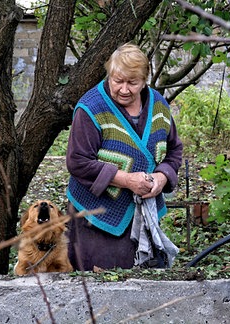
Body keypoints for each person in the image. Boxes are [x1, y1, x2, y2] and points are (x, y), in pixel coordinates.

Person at [65, 43, 183, 271]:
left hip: (144, 217)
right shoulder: (90, 108)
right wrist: (128, 180)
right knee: (99, 289)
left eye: (133, 83)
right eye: (118, 81)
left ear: (145, 80)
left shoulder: (159, 105)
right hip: (95, 219)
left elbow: (174, 150)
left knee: (143, 286)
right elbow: (77, 161)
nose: (124, 89)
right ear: (109, 75)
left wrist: (162, 177)